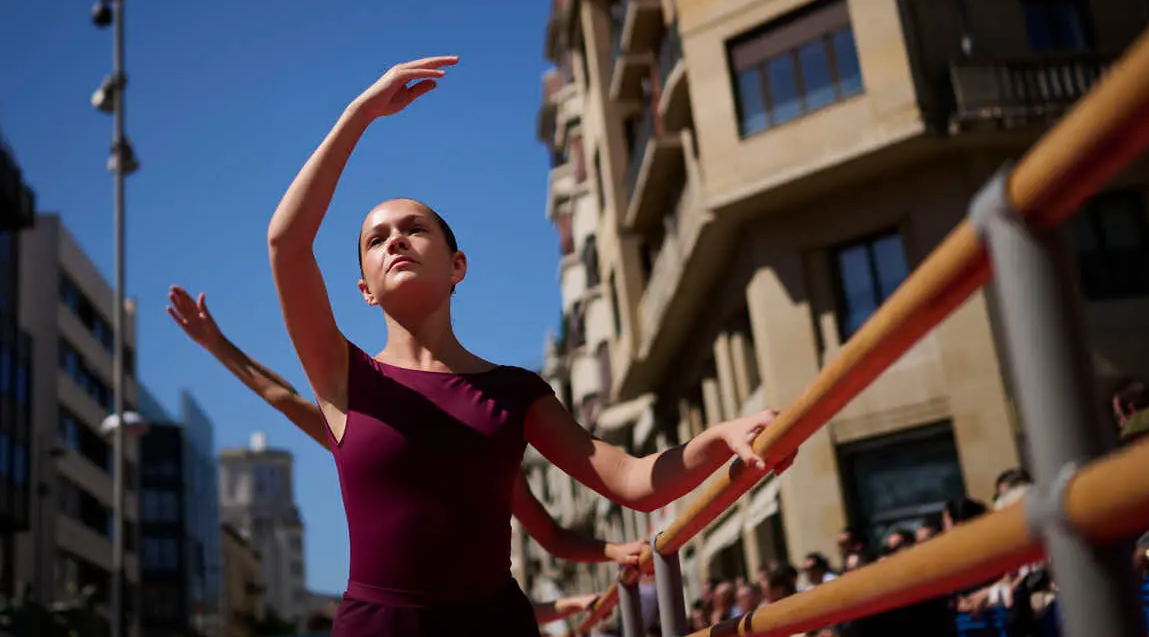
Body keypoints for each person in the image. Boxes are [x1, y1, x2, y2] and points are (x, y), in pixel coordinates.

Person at [265, 55, 792, 635]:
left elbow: (636, 482)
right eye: (376, 238)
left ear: (457, 265)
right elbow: (287, 243)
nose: (396, 240)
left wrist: (721, 438)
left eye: (415, 228)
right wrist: (361, 112)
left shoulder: (515, 392)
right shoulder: (343, 377)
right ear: (364, 289)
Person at [164, 285, 647, 567]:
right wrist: (218, 345)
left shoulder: (492, 461)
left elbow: (553, 537)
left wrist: (616, 551)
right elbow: (283, 395)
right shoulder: (364, 432)